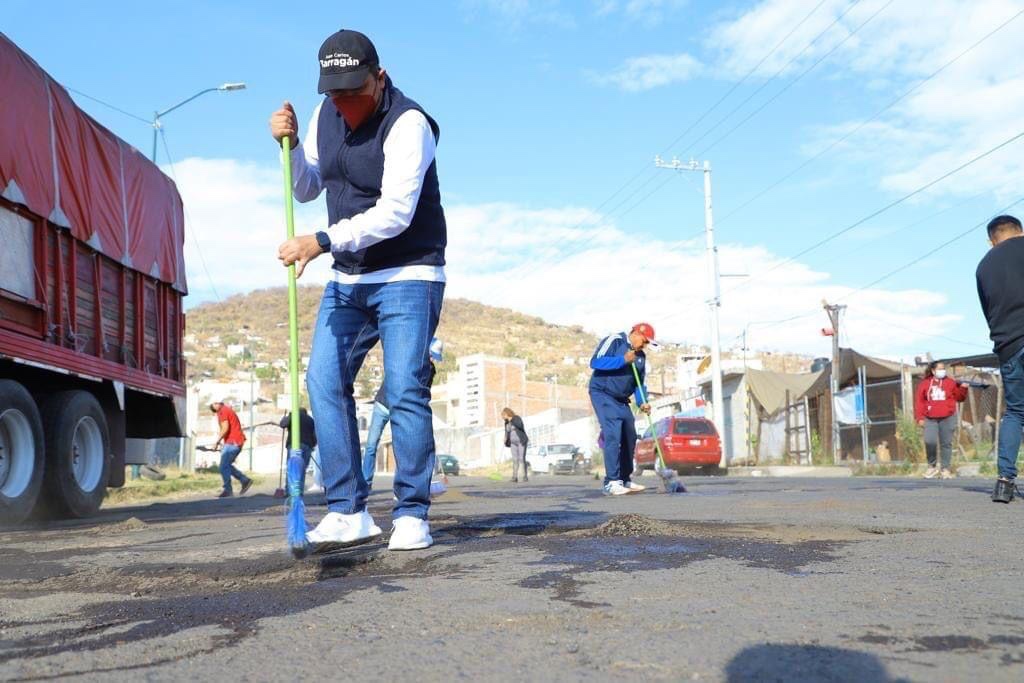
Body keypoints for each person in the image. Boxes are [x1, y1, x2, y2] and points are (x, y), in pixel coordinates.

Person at [270, 29, 446, 550]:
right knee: (323, 381)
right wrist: (293, 144)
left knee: (405, 389)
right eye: (335, 93)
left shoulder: (409, 123)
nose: (345, 103)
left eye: (355, 91)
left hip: (408, 275)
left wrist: (321, 240)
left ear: (379, 76)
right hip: (348, 279)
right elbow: (307, 187)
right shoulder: (326, 113)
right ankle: (349, 510)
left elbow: (395, 214)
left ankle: (413, 512)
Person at [976, 214, 1024, 503]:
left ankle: (1004, 483)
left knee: (1016, 413)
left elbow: (987, 311)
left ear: (991, 239)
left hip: (1008, 345)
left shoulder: (983, 266)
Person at [363, 337, 444, 489]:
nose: (433, 358)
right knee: (371, 445)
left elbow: (424, 393)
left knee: (400, 448)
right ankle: (366, 483)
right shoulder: (407, 357)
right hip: (382, 404)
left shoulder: (431, 370)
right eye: (432, 354)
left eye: (435, 356)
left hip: (400, 408)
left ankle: (400, 488)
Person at [588, 323, 655, 495]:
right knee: (612, 432)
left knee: (629, 435)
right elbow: (596, 362)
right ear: (635, 333)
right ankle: (611, 482)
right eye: (644, 341)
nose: (644, 345)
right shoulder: (615, 340)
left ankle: (624, 479)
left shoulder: (641, 357)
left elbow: (639, 384)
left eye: (647, 343)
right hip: (602, 393)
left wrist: (642, 402)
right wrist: (623, 360)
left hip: (621, 400)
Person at [914, 361, 968, 480]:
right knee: (930, 441)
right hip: (930, 418)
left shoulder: (950, 382)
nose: (942, 371)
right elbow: (919, 402)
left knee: (946, 444)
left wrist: (963, 388)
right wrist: (919, 418)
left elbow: (960, 398)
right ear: (933, 371)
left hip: (947, 417)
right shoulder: (925, 384)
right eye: (939, 369)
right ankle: (932, 466)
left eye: (943, 368)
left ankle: (945, 469)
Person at [210, 401, 252, 498]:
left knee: (223, 466)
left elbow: (225, 428)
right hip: (235, 441)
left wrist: (216, 442)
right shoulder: (226, 410)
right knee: (226, 465)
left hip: (233, 442)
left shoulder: (222, 411)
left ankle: (228, 490)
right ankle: (244, 480)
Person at [279, 407, 317, 490]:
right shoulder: (310, 420)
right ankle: (299, 491)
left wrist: (285, 417)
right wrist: (313, 445)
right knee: (302, 470)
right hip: (307, 446)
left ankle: (290, 490)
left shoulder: (293, 415)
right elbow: (315, 435)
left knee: (292, 468)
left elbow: (282, 424)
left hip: (294, 445)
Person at [502, 408, 529, 483]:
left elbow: (520, 426)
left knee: (521, 459)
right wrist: (505, 438)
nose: (503, 418)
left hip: (521, 441)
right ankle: (514, 477)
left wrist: (512, 420)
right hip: (513, 443)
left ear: (507, 414)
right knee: (514, 460)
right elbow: (506, 431)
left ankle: (525, 476)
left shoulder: (516, 418)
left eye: (503, 416)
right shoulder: (506, 422)